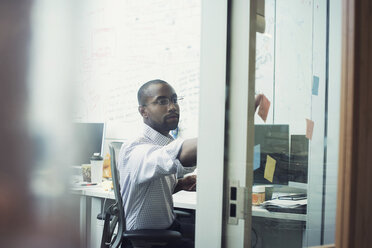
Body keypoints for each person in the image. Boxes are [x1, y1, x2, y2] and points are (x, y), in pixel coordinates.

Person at [118, 79, 197, 248]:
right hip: (147, 241)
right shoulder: (136, 147)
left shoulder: (164, 142)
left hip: (168, 230)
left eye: (174, 100)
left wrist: (180, 184)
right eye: (162, 101)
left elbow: (150, 186)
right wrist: (222, 131)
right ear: (143, 111)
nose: (172, 107)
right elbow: (174, 155)